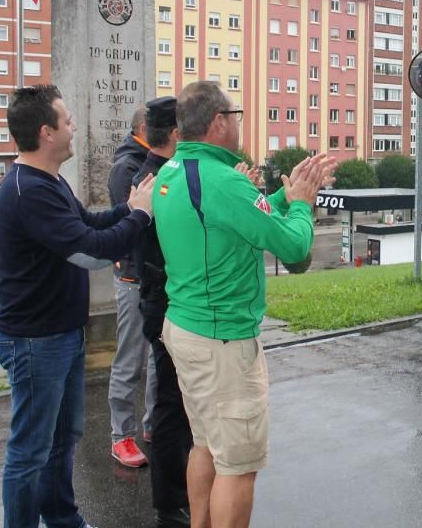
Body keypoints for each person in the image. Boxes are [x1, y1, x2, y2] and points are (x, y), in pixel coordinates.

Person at [155, 81, 334, 528]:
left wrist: (280, 197)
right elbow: (293, 246)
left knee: (205, 444)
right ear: (219, 122)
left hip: (186, 327)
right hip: (224, 342)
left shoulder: (174, 172)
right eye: (234, 116)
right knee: (237, 465)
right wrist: (302, 205)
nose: (238, 123)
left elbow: (235, 221)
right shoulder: (223, 182)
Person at [0, 85, 156, 528]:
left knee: (63, 439)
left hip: (58, 335)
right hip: (34, 342)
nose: (74, 127)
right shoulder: (29, 191)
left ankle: (64, 519)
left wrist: (129, 207)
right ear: (46, 132)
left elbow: (86, 221)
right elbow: (90, 252)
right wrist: (139, 217)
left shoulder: (48, 181)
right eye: (67, 121)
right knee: (30, 451)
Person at [131, 97, 193, 528]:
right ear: (175, 134)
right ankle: (171, 502)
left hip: (159, 300)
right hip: (166, 302)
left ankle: (176, 495)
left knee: (176, 403)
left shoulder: (150, 175)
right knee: (173, 405)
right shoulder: (158, 181)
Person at [107, 106, 157, 467]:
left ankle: (153, 425)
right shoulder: (128, 168)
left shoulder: (150, 162)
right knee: (129, 360)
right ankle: (120, 437)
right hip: (132, 278)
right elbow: (132, 221)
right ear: (145, 129)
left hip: (151, 275)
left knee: (156, 358)